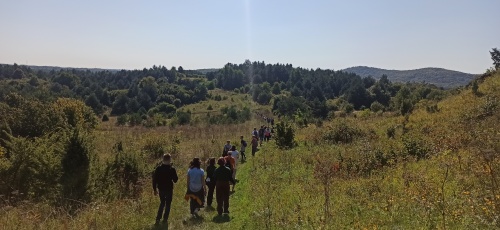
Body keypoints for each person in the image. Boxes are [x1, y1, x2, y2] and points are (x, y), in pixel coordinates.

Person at [153, 154, 179, 226]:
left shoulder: (158, 168)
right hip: (169, 189)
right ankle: (165, 219)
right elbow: (175, 180)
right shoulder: (172, 169)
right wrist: (173, 171)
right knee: (168, 204)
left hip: (161, 189)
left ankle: (158, 219)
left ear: (163, 159)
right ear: (169, 160)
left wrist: (154, 189)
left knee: (162, 203)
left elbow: (154, 180)